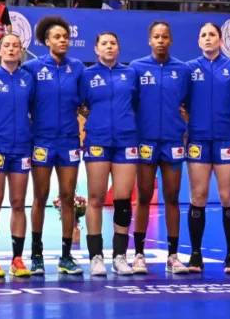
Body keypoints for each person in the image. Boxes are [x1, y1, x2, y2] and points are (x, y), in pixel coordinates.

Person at [21, 16, 86, 276]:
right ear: (46, 41)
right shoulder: (32, 68)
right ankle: (36, 254)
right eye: (57, 37)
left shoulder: (78, 68)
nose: (63, 40)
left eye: (66, 37)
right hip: (41, 141)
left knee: (68, 197)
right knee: (40, 196)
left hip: (69, 139)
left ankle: (66, 255)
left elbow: (85, 102)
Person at [130, 21, 190, 274]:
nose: (161, 40)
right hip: (145, 142)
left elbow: (189, 102)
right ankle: (139, 255)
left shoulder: (182, 70)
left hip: (173, 141)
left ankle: (173, 255)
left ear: (171, 41)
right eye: (156, 36)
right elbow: (130, 103)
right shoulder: (136, 68)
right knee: (144, 197)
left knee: (173, 198)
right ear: (149, 40)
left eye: (165, 36)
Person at [184, 23, 230, 274]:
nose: (207, 38)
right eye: (203, 35)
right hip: (197, 140)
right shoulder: (188, 69)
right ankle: (196, 255)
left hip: (226, 140)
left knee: (228, 197)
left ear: (221, 40)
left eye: (212, 35)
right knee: (198, 197)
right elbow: (179, 101)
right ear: (199, 42)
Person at [81, 32, 140, 277]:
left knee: (123, 200)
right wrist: (97, 121)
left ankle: (119, 256)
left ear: (118, 48)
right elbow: (81, 104)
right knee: (95, 197)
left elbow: (135, 103)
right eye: (104, 43)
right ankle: (96, 257)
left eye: (113, 43)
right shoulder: (86, 75)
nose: (108, 46)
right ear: (96, 49)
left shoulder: (130, 74)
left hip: (126, 140)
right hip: (97, 140)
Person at [0, 33, 35, 278]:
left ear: (21, 51)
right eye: (7, 46)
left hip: (22, 147)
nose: (12, 49)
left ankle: (17, 259)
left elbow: (34, 108)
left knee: (19, 203)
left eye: (16, 46)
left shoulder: (28, 80)